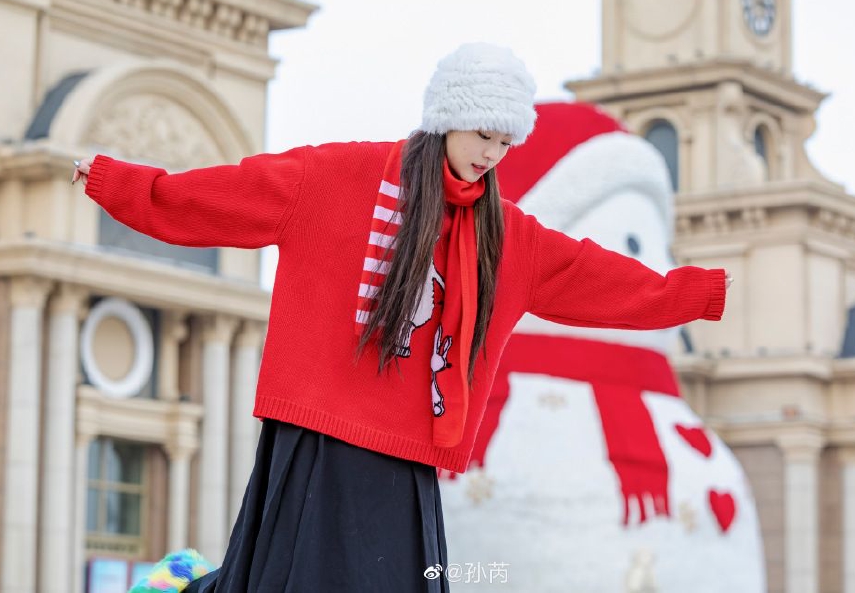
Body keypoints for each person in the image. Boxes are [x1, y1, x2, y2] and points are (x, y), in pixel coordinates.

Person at [73, 43, 732, 592]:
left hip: (405, 455)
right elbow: (209, 199)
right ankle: (178, 583)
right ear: (446, 118)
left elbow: (602, 278)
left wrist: (697, 293)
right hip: (320, 437)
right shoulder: (338, 177)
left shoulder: (506, 238)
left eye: (505, 141)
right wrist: (112, 179)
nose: (491, 155)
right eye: (482, 135)